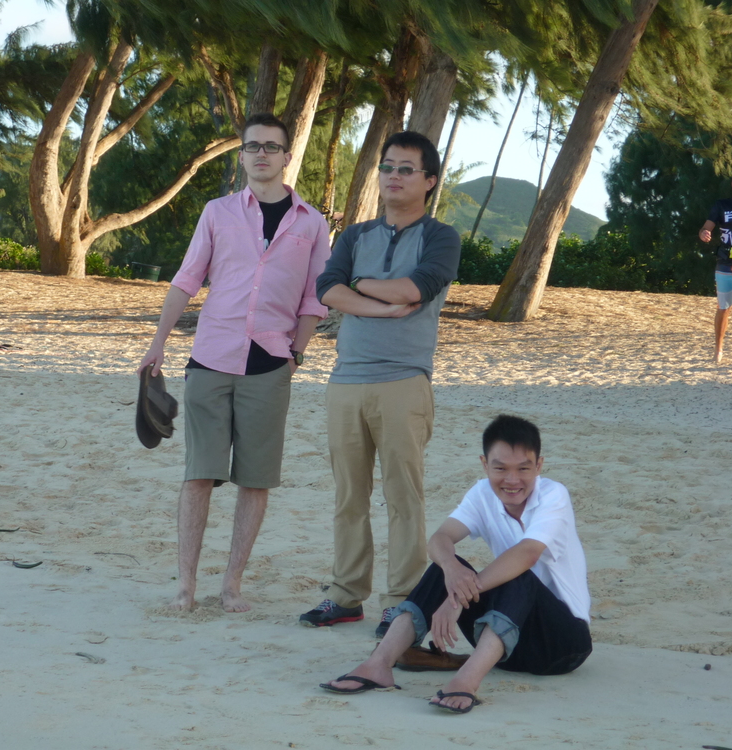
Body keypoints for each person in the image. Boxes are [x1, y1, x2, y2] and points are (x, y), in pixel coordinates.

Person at [137, 113, 331, 613]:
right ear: (242, 155)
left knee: (255, 478)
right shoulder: (217, 212)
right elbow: (186, 279)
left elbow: (315, 298)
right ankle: (186, 586)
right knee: (198, 474)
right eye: (252, 147)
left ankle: (232, 587)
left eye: (272, 146)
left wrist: (296, 355)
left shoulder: (311, 222)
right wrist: (158, 343)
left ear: (288, 156)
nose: (261, 154)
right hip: (210, 356)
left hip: (271, 364)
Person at [319, 415, 592, 714]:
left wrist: (458, 598)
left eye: (523, 469)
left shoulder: (553, 495)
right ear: (484, 464)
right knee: (445, 566)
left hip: (563, 644)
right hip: (504, 650)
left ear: (538, 466)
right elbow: (440, 538)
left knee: (518, 575)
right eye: (500, 468)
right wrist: (452, 571)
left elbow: (527, 553)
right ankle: (379, 664)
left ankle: (466, 680)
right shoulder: (482, 493)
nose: (512, 480)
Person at [300, 131, 460, 636]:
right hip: (346, 381)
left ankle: (403, 600)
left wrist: (361, 286)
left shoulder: (440, 237)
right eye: (387, 166)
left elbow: (416, 288)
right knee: (349, 495)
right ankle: (346, 596)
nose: (393, 175)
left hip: (404, 383)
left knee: (402, 495)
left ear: (429, 181)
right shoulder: (354, 236)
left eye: (406, 169)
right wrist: (380, 304)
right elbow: (327, 289)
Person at [698, 180, 732, 363]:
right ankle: (718, 350)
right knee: (724, 307)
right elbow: (706, 228)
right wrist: (704, 233)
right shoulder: (722, 205)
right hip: (726, 263)